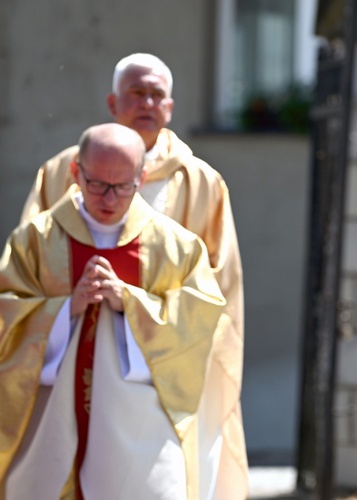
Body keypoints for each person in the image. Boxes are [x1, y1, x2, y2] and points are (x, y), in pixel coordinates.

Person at [20, 53, 248, 498]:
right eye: (136, 93)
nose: (146, 102)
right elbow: (28, 270)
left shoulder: (200, 183)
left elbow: (218, 290)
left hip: (159, 368)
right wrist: (69, 308)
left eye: (156, 95)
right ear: (112, 102)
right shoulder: (61, 172)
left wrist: (142, 312)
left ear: (171, 107)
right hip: (68, 361)